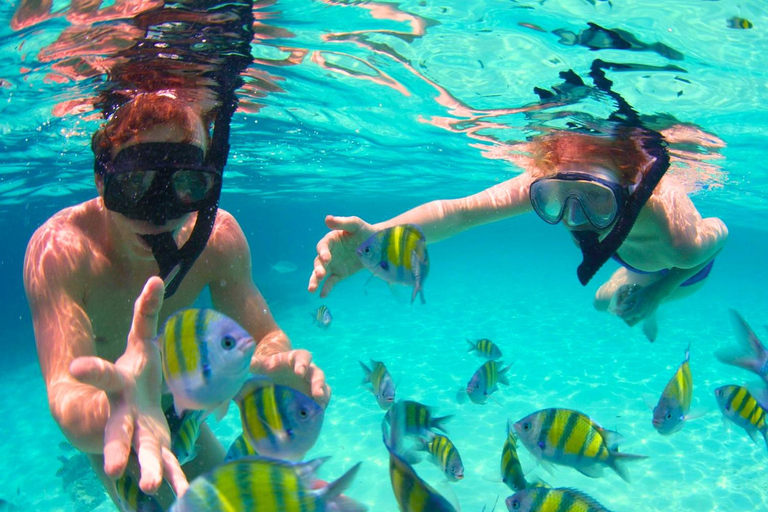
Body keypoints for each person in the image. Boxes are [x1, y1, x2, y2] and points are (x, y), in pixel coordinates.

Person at [23, 92, 331, 509]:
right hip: (112, 424)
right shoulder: (62, 251)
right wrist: (116, 411)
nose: (159, 212)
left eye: (187, 182)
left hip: (182, 411)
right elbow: (68, 396)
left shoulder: (218, 239)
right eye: (135, 182)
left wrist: (271, 362)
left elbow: (265, 336)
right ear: (101, 178)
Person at [308, 124, 728, 341]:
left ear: (629, 190)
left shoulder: (676, 236)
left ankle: (650, 295)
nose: (574, 216)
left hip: (685, 270)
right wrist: (373, 239)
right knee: (604, 305)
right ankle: (637, 287)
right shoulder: (557, 178)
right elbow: (459, 213)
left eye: (596, 200)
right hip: (635, 260)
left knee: (638, 298)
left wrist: (658, 291)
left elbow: (718, 236)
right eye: (555, 199)